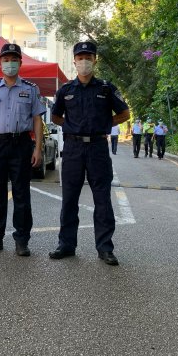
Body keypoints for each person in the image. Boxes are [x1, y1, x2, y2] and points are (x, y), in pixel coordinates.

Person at [49, 42, 130, 265]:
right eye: (80, 57)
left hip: (97, 148)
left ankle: (105, 248)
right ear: (74, 61)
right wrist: (71, 126)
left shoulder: (106, 88)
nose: (84, 61)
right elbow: (55, 116)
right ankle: (66, 245)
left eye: (88, 57)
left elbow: (125, 113)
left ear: (95, 60)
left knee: (102, 199)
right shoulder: (65, 90)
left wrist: (104, 123)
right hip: (73, 149)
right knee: (69, 199)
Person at [0, 43, 45, 256]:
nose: (10, 64)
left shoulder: (30, 89)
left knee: (22, 194)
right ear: (0, 63)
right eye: (6, 60)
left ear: (20, 63)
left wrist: (38, 149)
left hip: (21, 144)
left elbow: (37, 120)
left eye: (14, 60)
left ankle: (22, 240)